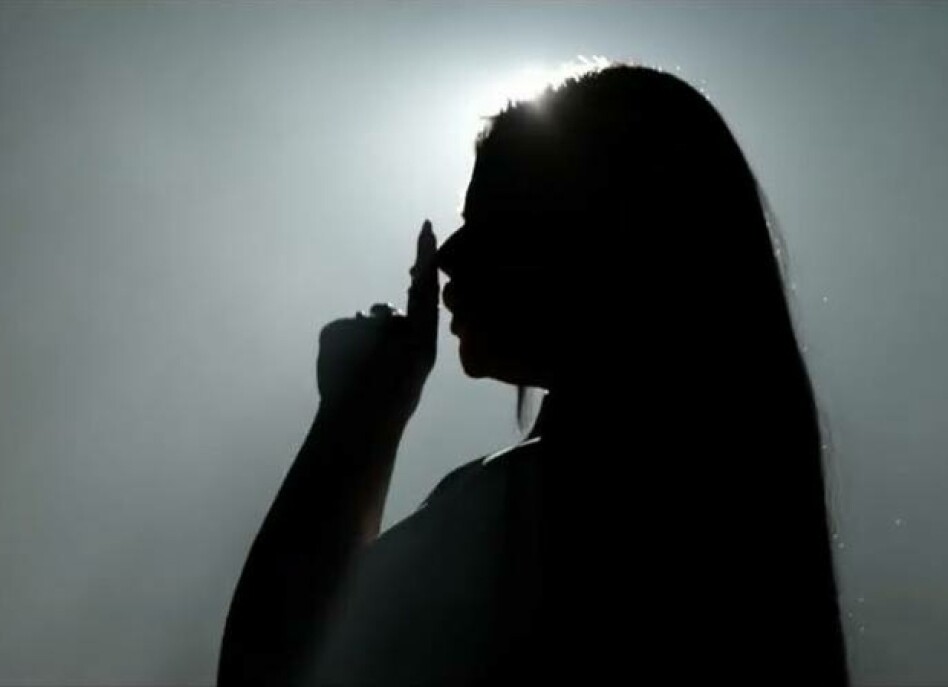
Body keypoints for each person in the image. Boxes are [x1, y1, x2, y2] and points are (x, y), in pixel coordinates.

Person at [217, 62, 849, 686]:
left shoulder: (535, 513)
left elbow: (273, 667)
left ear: (602, 238)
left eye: (493, 222)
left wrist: (359, 413)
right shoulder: (726, 521)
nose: (446, 255)